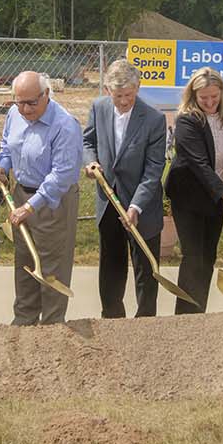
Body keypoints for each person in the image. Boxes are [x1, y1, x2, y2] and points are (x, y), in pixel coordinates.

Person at [0, 71, 82, 325]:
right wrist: (3, 167)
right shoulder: (14, 114)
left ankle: (52, 325)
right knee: (24, 262)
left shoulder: (64, 125)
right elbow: (7, 146)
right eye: (19, 102)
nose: (25, 109)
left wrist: (30, 207)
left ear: (46, 95)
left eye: (31, 103)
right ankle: (24, 320)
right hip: (22, 194)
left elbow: (62, 174)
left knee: (51, 267)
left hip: (54, 202)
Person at [83, 59, 167, 318]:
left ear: (138, 88)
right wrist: (91, 162)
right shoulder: (99, 108)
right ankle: (112, 318)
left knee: (145, 269)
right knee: (111, 265)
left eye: (128, 95)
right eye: (117, 95)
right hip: (108, 200)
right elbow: (88, 141)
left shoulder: (154, 119)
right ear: (107, 90)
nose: (123, 101)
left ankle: (145, 322)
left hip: (142, 205)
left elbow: (154, 169)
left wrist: (135, 206)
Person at [165, 67, 223, 314]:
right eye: (203, 98)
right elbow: (199, 164)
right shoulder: (187, 120)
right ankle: (185, 316)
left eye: (214, 96)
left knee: (208, 256)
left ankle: (199, 313)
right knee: (194, 257)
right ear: (193, 96)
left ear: (222, 93)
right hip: (188, 195)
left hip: (214, 195)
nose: (210, 102)